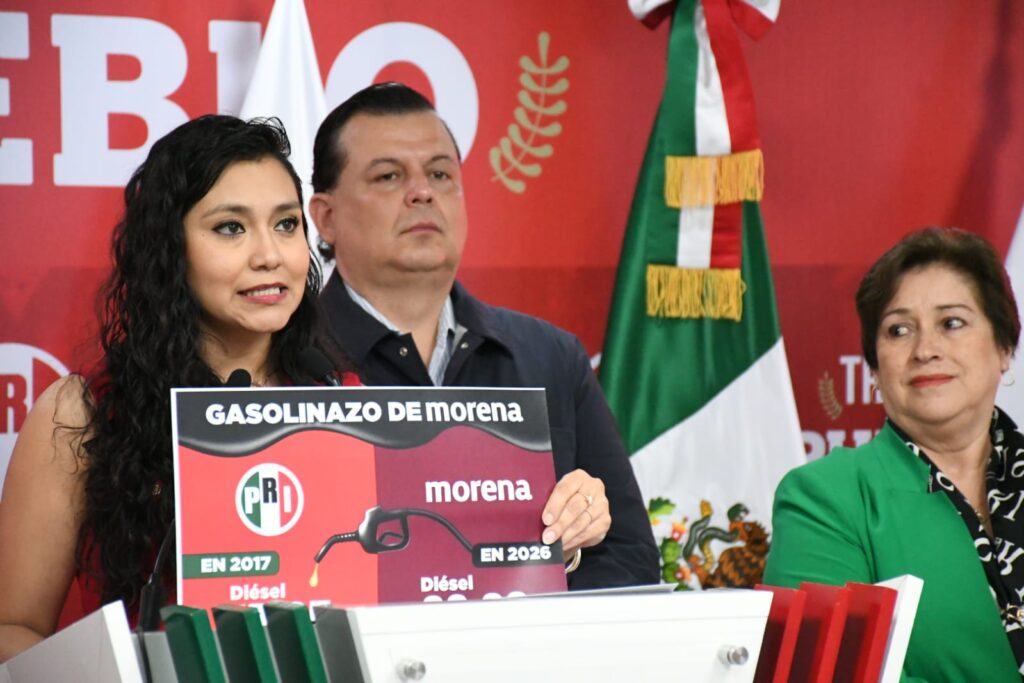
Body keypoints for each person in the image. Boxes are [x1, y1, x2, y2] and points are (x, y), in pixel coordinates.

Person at [0, 115, 349, 661]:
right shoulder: (84, 411)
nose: (270, 255)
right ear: (169, 249)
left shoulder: (344, 398)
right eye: (230, 228)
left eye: (286, 224)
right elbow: (11, 628)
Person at [308, 82, 659, 589]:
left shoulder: (550, 357)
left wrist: (560, 557)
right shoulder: (282, 359)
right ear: (326, 218)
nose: (422, 192)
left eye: (440, 174)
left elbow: (631, 563)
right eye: (388, 176)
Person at [764, 227, 1023, 680]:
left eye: (952, 323)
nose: (925, 350)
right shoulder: (824, 498)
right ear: (875, 369)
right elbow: (825, 675)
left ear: (1004, 348)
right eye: (899, 330)